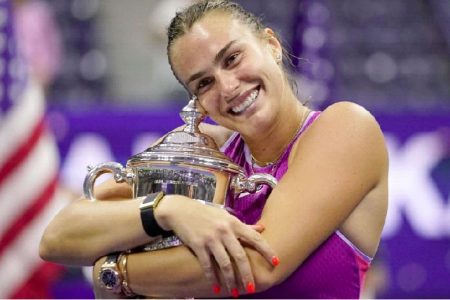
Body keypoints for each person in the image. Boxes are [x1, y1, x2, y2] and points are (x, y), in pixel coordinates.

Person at [39, 0, 388, 298]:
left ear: (272, 45)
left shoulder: (346, 127)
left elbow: (258, 266)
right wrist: (168, 208)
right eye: (203, 83)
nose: (228, 86)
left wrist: (114, 271)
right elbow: (57, 237)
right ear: (197, 101)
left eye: (233, 58)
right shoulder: (204, 152)